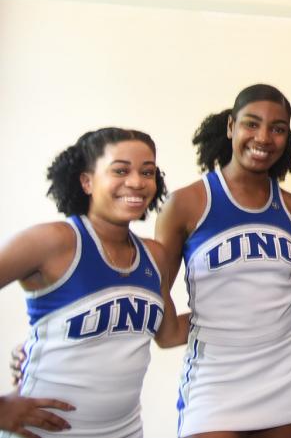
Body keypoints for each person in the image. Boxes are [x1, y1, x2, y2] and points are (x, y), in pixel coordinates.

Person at [155, 85, 291, 438]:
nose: (264, 137)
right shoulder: (187, 204)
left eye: (278, 129)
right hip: (215, 380)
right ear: (231, 126)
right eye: (252, 124)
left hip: (283, 376)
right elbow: (152, 296)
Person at [0, 128, 188, 438]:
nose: (137, 182)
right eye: (120, 170)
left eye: (147, 172)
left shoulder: (155, 255)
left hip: (125, 430)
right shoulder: (52, 241)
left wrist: (251, 317)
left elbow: (169, 335)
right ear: (87, 181)